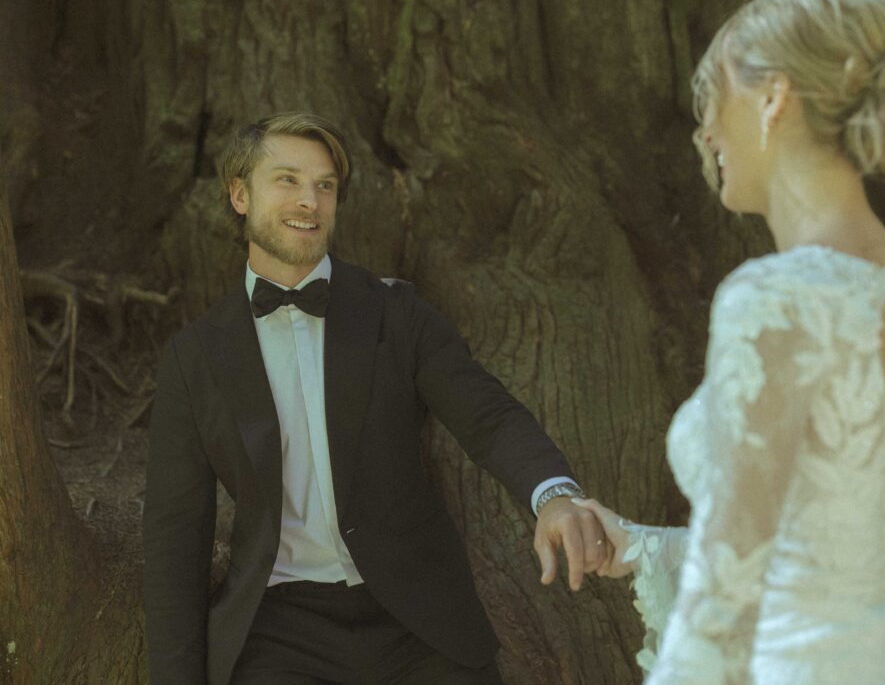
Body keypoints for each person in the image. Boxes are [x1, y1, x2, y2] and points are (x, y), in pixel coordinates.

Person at [574, 0, 885, 685]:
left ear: (774, 98)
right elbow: (823, 546)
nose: (705, 130)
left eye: (717, 98)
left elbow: (719, 608)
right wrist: (637, 547)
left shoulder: (780, 296)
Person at [142, 112, 607, 685]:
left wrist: (556, 497)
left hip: (416, 616)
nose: (309, 200)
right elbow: (175, 534)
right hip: (280, 627)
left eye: (325, 185)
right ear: (240, 195)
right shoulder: (196, 358)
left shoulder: (395, 314)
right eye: (287, 180)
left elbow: (488, 417)